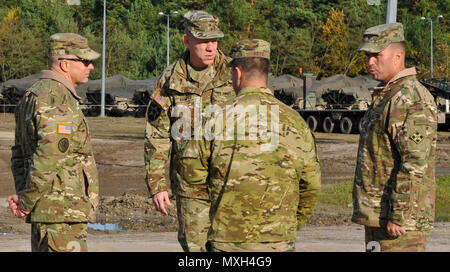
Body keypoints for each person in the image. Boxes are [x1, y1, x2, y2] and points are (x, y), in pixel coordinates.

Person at [179, 39, 321, 252]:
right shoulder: (296, 123)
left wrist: (196, 246)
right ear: (266, 73)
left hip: (226, 245)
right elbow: (311, 186)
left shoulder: (213, 120)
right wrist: (286, 227)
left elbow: (191, 187)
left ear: (237, 73)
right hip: (278, 243)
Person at [144, 10, 235, 252]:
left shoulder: (234, 74)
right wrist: (157, 184)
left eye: (214, 40)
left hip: (232, 182)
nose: (210, 47)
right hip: (191, 186)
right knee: (196, 251)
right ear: (187, 40)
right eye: (204, 41)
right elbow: (157, 135)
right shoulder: (170, 80)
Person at [7, 33, 100, 252]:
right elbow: (49, 156)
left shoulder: (33, 95)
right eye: (85, 61)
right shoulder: (57, 98)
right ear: (65, 64)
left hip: (49, 214)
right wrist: (27, 200)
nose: (91, 67)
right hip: (62, 214)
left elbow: (19, 154)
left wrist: (24, 196)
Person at [352, 23, 437, 252]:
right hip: (379, 219)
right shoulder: (388, 95)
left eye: (376, 55)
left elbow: (415, 162)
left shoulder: (410, 99)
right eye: (368, 56)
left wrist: (399, 215)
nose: (370, 62)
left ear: (398, 56)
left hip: (399, 228)